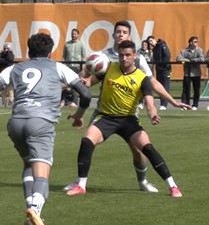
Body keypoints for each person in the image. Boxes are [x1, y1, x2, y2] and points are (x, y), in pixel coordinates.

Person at [0, 33, 92, 225]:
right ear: (50, 52)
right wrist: (78, 116)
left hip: (16, 123)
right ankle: (35, 208)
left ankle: (31, 213)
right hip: (41, 123)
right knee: (42, 174)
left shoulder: (15, 68)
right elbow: (85, 95)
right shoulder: (58, 67)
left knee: (28, 164)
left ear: (29, 51)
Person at [65, 20, 185, 193]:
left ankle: (163, 185)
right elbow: (89, 80)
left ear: (134, 54)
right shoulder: (106, 63)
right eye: (121, 55)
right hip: (105, 115)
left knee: (143, 150)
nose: (124, 58)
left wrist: (157, 110)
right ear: (113, 35)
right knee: (87, 141)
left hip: (129, 118)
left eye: (128, 55)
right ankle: (80, 184)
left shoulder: (141, 74)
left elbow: (150, 97)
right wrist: (81, 83)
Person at [177, 36, 205, 109]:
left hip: (196, 73)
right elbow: (178, 58)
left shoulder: (199, 50)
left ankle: (195, 105)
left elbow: (202, 59)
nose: (196, 43)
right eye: (195, 41)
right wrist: (187, 61)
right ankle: (184, 105)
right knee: (185, 89)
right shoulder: (184, 51)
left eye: (197, 41)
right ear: (190, 42)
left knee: (196, 89)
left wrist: (194, 60)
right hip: (187, 73)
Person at [61, 28, 86, 106]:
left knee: (75, 85)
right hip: (68, 67)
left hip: (77, 67)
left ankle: (74, 102)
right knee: (66, 84)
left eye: (75, 34)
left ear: (78, 35)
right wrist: (64, 65)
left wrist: (82, 67)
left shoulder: (81, 44)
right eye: (72, 34)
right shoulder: (67, 44)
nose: (73, 35)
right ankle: (63, 101)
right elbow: (64, 56)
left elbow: (84, 56)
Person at [148, 35, 173, 110]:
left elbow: (167, 55)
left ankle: (164, 104)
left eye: (151, 40)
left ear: (154, 39)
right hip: (158, 70)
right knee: (160, 87)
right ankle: (162, 103)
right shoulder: (154, 49)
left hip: (165, 69)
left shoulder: (162, 44)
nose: (151, 43)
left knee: (165, 87)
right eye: (149, 42)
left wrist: (163, 65)